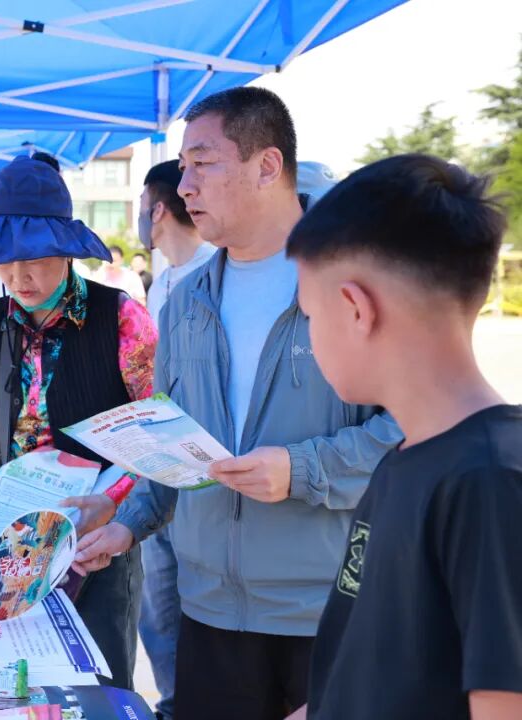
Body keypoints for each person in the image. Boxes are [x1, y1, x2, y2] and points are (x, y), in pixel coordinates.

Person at [73, 87, 401, 720]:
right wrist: (127, 523)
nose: (184, 186)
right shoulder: (186, 300)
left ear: (268, 166)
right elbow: (173, 444)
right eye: (183, 167)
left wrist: (300, 470)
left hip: (331, 613)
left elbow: (411, 431)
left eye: (203, 163)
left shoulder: (357, 285)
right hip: (209, 615)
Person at [283, 155, 522, 720]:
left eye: (310, 316)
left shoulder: (490, 480)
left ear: (355, 308)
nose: (311, 338)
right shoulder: (406, 458)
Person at [0, 154, 157, 691]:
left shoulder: (121, 317)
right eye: (5, 261)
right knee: (21, 681)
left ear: (65, 248)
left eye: (32, 258)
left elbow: (156, 431)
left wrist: (114, 500)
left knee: (98, 684)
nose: (18, 276)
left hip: (96, 539)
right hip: (11, 538)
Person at [134, 159, 216, 720]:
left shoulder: (216, 273)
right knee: (157, 609)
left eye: (142, 208)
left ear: (158, 210)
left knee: (196, 609)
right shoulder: (161, 282)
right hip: (157, 465)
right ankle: (172, 704)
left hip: (204, 477)